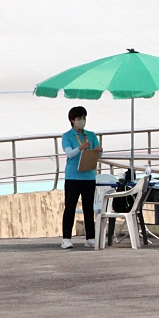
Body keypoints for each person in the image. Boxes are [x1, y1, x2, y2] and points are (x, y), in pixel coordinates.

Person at [60, 106, 101, 249]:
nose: (82, 121)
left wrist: (98, 150)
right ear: (72, 120)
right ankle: (66, 238)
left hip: (88, 175)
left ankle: (90, 237)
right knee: (70, 207)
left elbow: (97, 154)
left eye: (84, 118)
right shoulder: (67, 136)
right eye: (79, 118)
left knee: (88, 207)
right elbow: (70, 153)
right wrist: (80, 147)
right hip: (73, 176)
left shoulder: (91, 135)